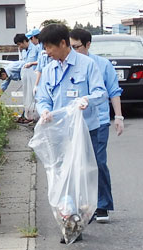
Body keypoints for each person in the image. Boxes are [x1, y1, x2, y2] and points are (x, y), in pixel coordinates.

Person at [35, 24, 107, 243]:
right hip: (58, 133)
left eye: (49, 47)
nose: (46, 52)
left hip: (85, 131)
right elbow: (42, 97)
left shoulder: (87, 65)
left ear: (63, 43)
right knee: (61, 177)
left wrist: (87, 99)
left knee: (80, 176)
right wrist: (44, 110)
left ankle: (78, 220)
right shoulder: (49, 69)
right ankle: (69, 222)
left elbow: (100, 92)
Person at [70, 28, 124, 223]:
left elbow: (113, 91)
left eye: (77, 47)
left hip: (99, 121)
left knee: (98, 162)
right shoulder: (67, 64)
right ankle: (84, 205)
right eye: (71, 47)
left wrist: (118, 117)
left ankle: (102, 205)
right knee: (79, 166)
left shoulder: (102, 64)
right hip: (74, 124)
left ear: (88, 45)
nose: (73, 51)